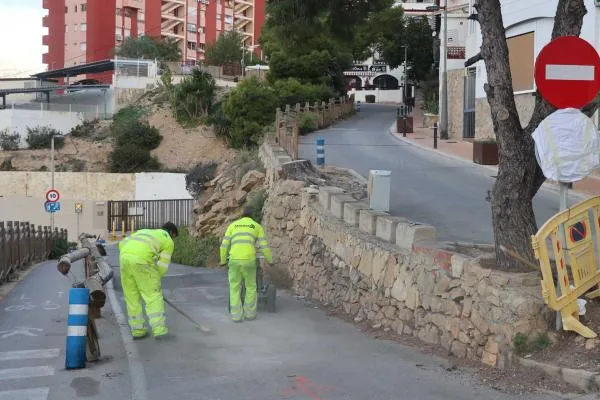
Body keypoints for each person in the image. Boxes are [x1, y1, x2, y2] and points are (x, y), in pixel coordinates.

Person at [119, 222, 178, 340]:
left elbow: (121, 244)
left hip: (124, 259)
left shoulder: (145, 232)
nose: (174, 240)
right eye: (175, 237)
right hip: (142, 260)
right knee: (153, 297)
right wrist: (154, 283)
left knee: (132, 297)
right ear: (172, 233)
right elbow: (162, 265)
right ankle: (160, 331)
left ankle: (138, 330)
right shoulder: (168, 240)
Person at [220, 206, 273, 322]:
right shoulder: (256, 226)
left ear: (242, 215)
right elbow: (264, 246)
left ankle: (236, 316)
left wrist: (223, 261)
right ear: (252, 216)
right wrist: (270, 260)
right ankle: (249, 314)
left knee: (234, 287)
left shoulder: (232, 226)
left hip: (234, 260)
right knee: (251, 287)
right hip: (249, 260)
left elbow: (224, 245)